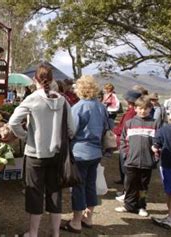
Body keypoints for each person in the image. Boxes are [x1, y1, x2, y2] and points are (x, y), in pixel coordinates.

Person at [8, 63, 74, 237]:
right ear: (52, 79)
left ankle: (33, 233)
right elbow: (72, 128)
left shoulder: (32, 98)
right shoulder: (63, 100)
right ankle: (55, 234)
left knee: (35, 193)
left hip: (35, 154)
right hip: (58, 155)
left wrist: (25, 136)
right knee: (55, 193)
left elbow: (13, 122)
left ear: (35, 79)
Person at [61, 75, 108, 233]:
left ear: (81, 89)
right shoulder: (101, 107)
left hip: (81, 152)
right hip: (96, 152)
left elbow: (71, 130)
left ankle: (76, 222)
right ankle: (88, 217)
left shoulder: (79, 107)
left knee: (78, 187)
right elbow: (108, 127)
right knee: (90, 184)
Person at [115, 97, 160, 217]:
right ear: (135, 108)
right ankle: (128, 205)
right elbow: (124, 140)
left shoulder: (154, 123)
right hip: (131, 160)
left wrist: (155, 157)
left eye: (146, 108)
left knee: (143, 186)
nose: (143, 111)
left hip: (147, 161)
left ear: (150, 109)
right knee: (129, 185)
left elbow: (158, 142)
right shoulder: (129, 123)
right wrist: (125, 154)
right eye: (140, 108)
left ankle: (141, 206)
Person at [151, 108, 171, 229]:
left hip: (168, 164)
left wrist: (155, 151)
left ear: (170, 118)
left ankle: (170, 217)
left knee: (170, 191)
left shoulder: (164, 130)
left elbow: (155, 146)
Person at [112, 90, 141, 187]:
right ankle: (124, 183)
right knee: (123, 166)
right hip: (125, 142)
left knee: (125, 167)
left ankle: (126, 189)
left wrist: (115, 131)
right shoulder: (131, 112)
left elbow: (124, 127)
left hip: (125, 142)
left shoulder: (131, 113)